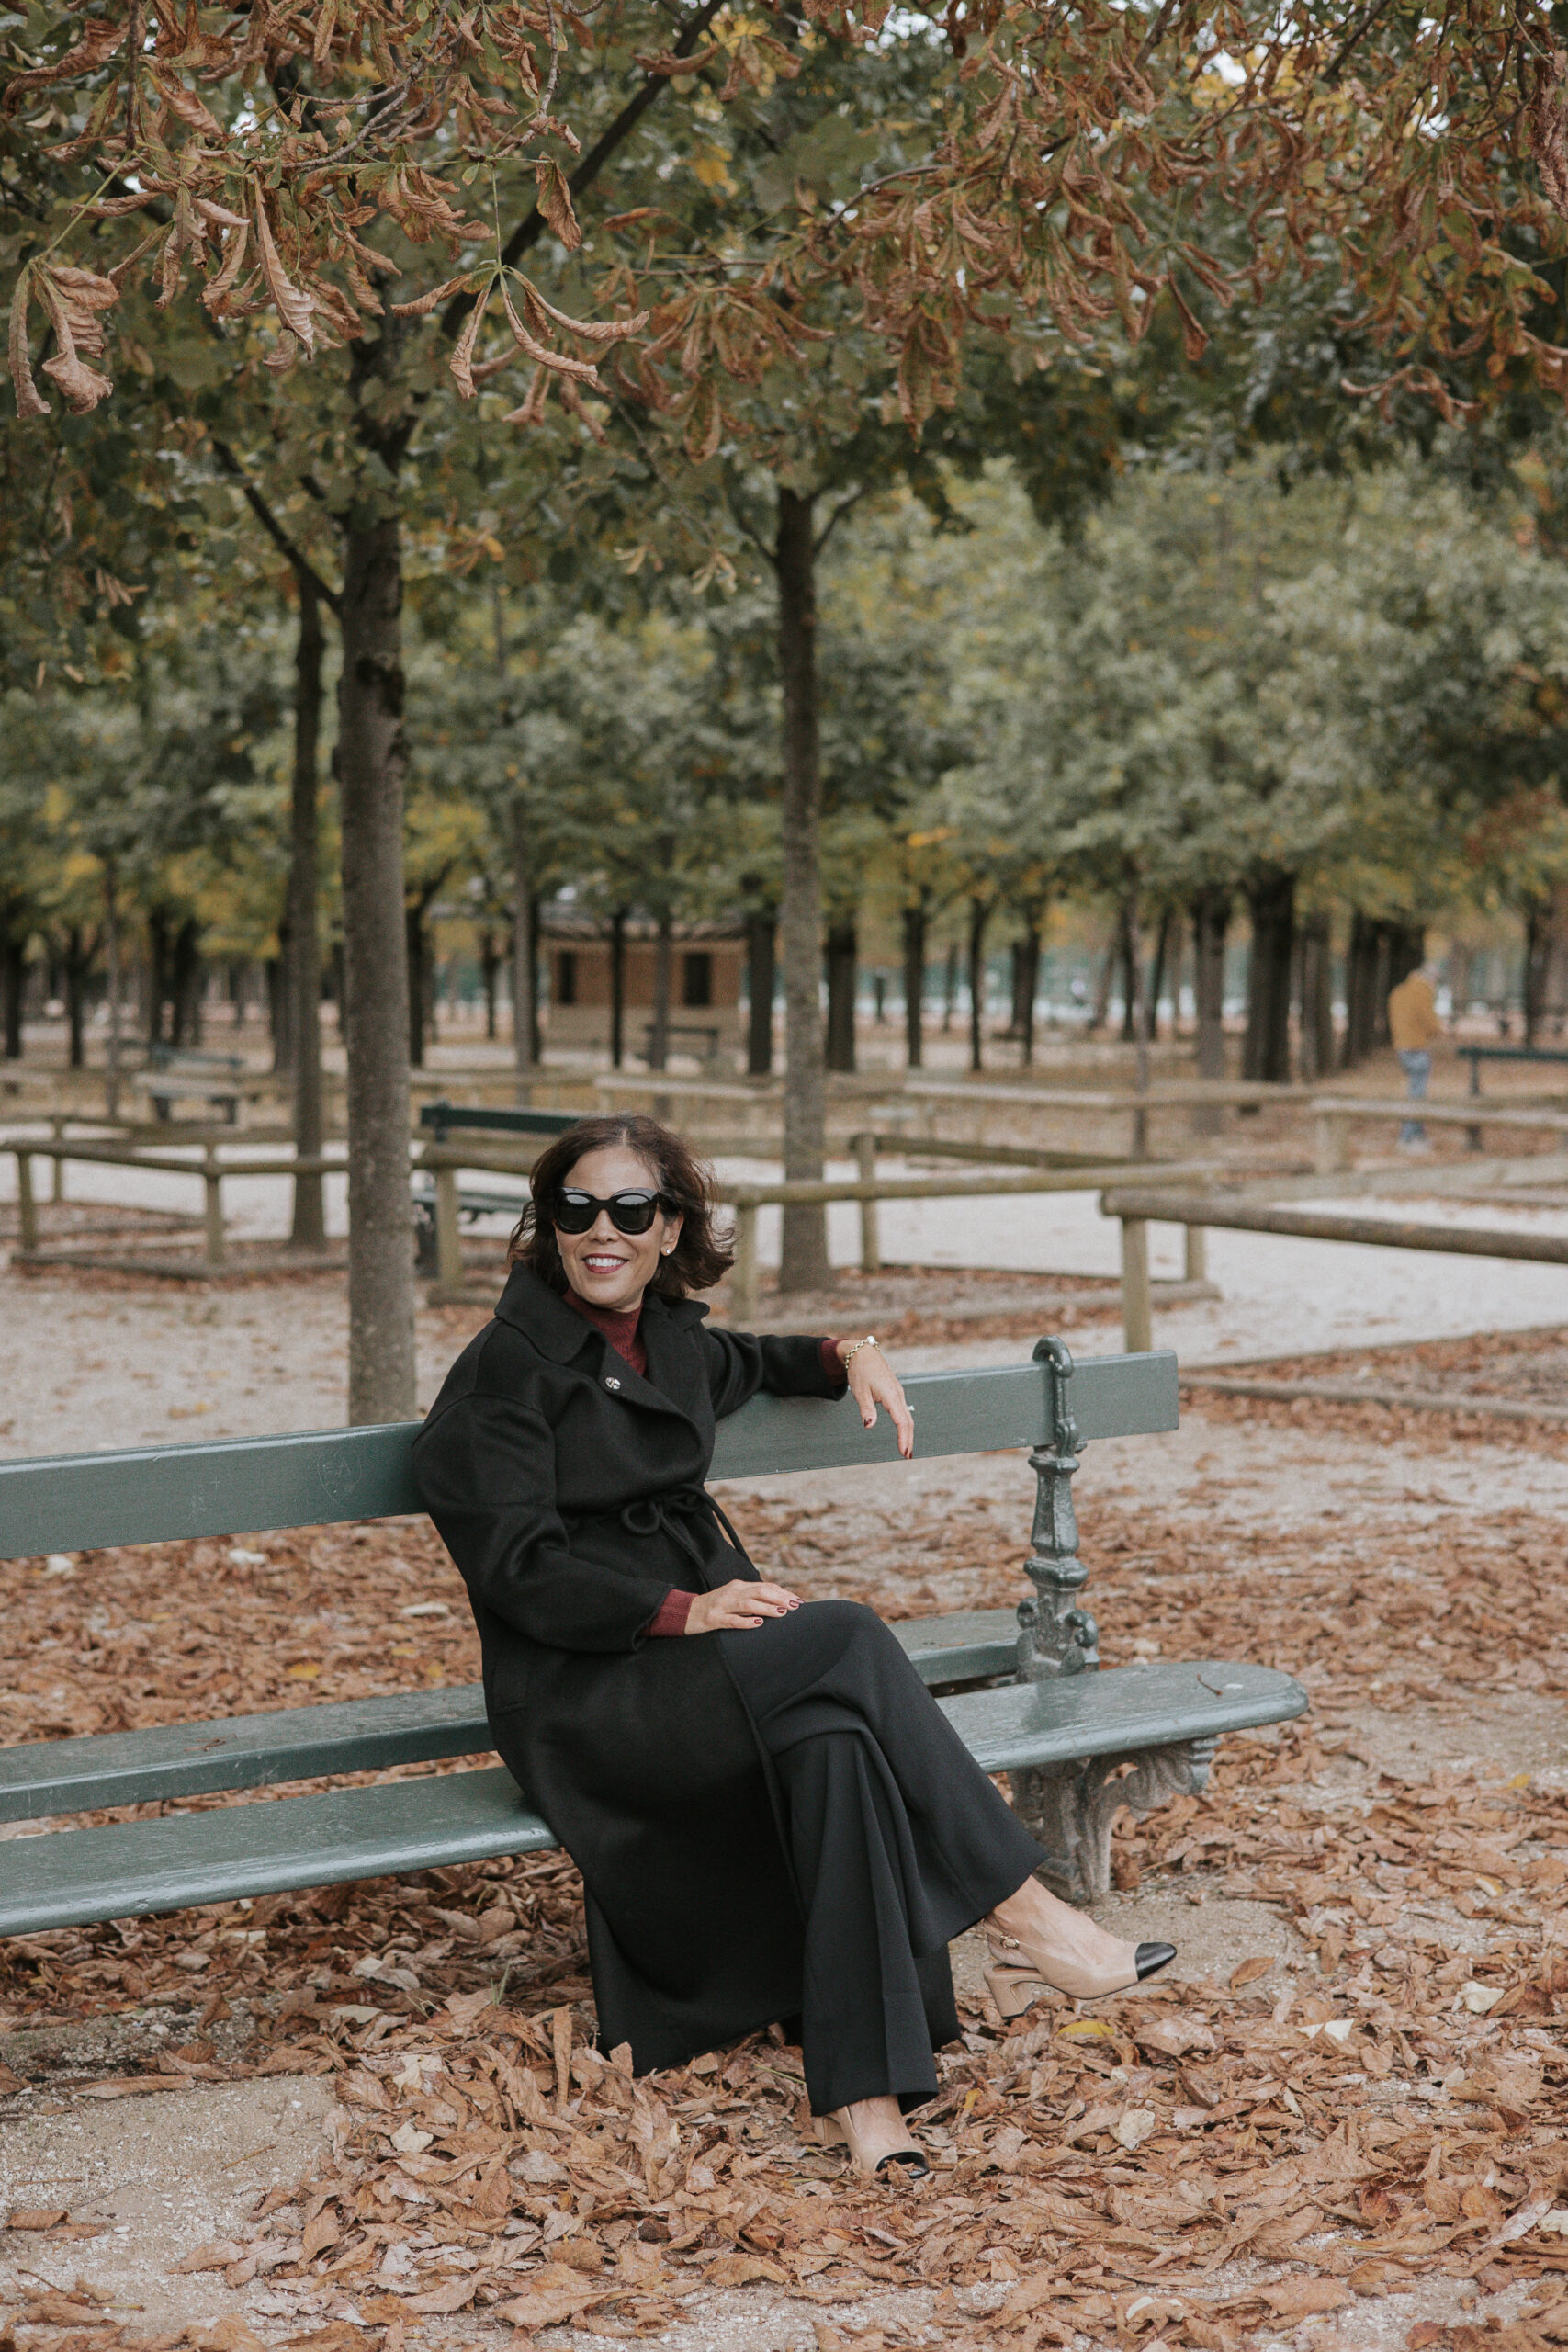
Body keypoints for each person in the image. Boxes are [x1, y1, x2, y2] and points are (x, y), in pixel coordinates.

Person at [412, 1114, 1174, 2183]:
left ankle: (868, 2103)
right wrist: (684, 1608)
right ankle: (1031, 1913)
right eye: (576, 1208)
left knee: (836, 1744)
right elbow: (517, 1571)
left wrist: (851, 1353)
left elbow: (761, 1359)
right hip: (587, 1690)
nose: (602, 1230)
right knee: (846, 1634)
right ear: (548, 1224)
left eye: (630, 1209)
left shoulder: (665, 1338)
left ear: (669, 1227)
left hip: (688, 1661)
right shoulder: (504, 1370)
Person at [1388, 961, 1445, 1149]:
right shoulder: (1422, 992)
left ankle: (1416, 1136)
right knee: (1417, 1095)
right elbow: (1430, 1022)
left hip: (1401, 1047)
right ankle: (1409, 1138)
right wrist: (1436, 1030)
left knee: (1413, 1091)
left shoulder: (1398, 992)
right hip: (1417, 1047)